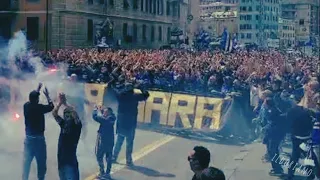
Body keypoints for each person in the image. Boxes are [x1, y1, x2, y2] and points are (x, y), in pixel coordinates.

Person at [112, 82, 149, 166]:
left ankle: (114, 157)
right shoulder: (135, 96)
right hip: (131, 122)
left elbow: (113, 90)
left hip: (121, 122)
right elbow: (146, 95)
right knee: (129, 142)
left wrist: (119, 85)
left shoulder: (121, 95)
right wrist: (140, 87)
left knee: (119, 141)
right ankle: (128, 160)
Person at [22, 83, 54, 180]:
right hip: (39, 140)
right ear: (37, 99)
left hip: (29, 140)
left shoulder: (26, 106)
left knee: (26, 163)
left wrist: (38, 89)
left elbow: (33, 98)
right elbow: (51, 106)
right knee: (41, 164)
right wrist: (48, 96)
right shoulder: (40, 108)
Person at [52, 93, 82, 180]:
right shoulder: (63, 124)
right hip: (61, 160)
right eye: (66, 115)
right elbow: (54, 114)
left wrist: (65, 103)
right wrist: (60, 103)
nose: (67, 116)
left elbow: (75, 116)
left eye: (69, 115)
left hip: (70, 161)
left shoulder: (77, 126)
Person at [286, 97, 314, 180]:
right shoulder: (309, 111)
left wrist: (290, 132)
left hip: (296, 136)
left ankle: (290, 174)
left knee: (294, 156)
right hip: (307, 137)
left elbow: (288, 122)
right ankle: (310, 175)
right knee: (308, 157)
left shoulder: (291, 110)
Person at [92, 106, 116, 179]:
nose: (103, 113)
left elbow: (95, 117)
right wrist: (101, 110)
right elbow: (103, 115)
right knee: (108, 157)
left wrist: (95, 110)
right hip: (110, 141)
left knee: (99, 156)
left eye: (105, 112)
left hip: (103, 141)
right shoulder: (112, 118)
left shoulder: (105, 120)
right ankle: (107, 173)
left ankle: (102, 172)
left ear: (108, 113)